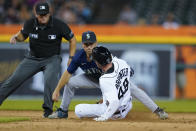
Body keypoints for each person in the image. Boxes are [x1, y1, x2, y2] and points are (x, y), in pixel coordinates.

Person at [48, 31, 168, 120]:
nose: (89, 47)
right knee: (70, 83)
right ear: (82, 45)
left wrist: (106, 96)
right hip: (92, 79)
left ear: (96, 43)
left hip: (110, 81)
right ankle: (63, 111)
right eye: (86, 44)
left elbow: (115, 66)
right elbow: (67, 73)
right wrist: (57, 89)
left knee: (134, 89)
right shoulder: (79, 57)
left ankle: (158, 110)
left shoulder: (102, 53)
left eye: (91, 43)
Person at [0, 1, 77, 118]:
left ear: (49, 13)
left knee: (50, 79)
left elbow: (72, 39)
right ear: (36, 14)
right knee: (13, 80)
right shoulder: (30, 23)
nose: (43, 17)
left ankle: (48, 111)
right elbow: (22, 35)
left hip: (52, 58)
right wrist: (16, 37)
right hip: (32, 59)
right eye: (41, 15)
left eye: (45, 14)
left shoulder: (59, 24)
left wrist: (71, 57)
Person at [75, 46, 132, 121]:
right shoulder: (122, 63)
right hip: (128, 105)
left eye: (95, 60)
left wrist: (104, 117)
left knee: (78, 109)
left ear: (98, 63)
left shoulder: (105, 79)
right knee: (110, 94)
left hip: (115, 112)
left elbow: (115, 102)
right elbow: (130, 73)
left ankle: (108, 114)